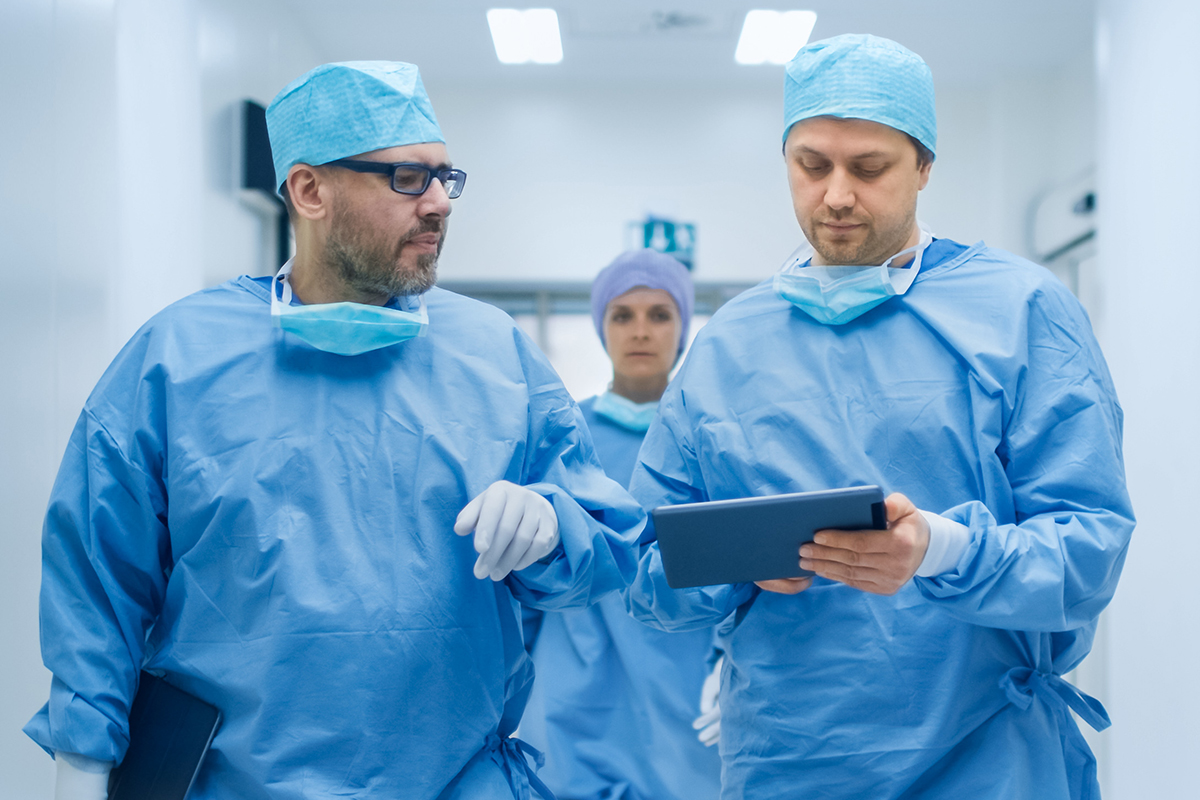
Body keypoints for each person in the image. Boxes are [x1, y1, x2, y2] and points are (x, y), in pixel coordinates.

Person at [25, 61, 644, 800]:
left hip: (454, 781)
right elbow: (98, 587)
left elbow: (612, 539)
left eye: (448, 177)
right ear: (309, 189)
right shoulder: (177, 360)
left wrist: (554, 521)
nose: (441, 202)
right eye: (407, 179)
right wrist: (81, 768)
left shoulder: (496, 356)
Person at [623, 34, 1134, 799]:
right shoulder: (730, 345)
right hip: (789, 761)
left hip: (985, 757)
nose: (835, 195)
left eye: (869, 168)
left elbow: (1089, 549)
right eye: (811, 165)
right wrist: (737, 564)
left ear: (924, 166)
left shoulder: (1021, 312)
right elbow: (643, 567)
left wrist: (944, 549)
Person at [520, 250, 721, 800]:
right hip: (574, 671)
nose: (640, 331)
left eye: (660, 315)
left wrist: (732, 662)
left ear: (683, 328)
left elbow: (740, 560)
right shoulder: (561, 434)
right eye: (622, 314)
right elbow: (528, 579)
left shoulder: (707, 439)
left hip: (684, 671)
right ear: (600, 326)